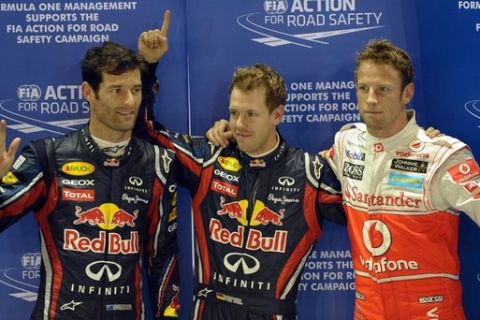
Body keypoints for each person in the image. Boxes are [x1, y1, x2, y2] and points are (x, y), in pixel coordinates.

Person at [207, 39, 480, 319]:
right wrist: (234, 133)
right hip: (367, 310)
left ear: (407, 92)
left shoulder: (442, 155)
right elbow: (291, 169)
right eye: (363, 88)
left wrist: (431, 142)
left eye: (383, 90)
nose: (371, 99)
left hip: (430, 310)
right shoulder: (346, 143)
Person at [137, 41, 347, 318]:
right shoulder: (208, 157)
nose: (239, 124)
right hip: (209, 309)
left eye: (251, 114)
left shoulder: (311, 173)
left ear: (277, 115)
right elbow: (146, 131)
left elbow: (369, 206)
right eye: (234, 113)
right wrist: (148, 67)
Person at [0, 39, 179, 319]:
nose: (129, 101)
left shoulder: (158, 163)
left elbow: (163, 256)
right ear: (88, 92)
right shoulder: (48, 157)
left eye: (135, 90)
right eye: (116, 90)